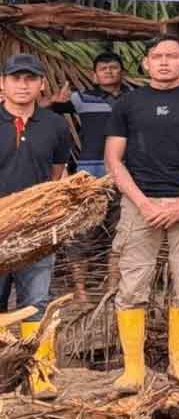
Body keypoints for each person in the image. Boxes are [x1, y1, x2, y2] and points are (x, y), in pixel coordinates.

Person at [105, 36, 179, 393]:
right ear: (145, 63)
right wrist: (143, 203)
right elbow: (114, 159)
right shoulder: (128, 103)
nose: (163, 62)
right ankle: (133, 369)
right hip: (137, 203)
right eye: (156, 57)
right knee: (132, 284)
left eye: (171, 56)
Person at [0, 54, 72, 399]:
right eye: (16, 78)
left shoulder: (55, 125)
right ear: (3, 84)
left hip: (39, 230)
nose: (23, 84)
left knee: (38, 301)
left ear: (41, 84)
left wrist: (43, 215)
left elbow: (58, 176)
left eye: (30, 78)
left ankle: (40, 373)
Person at [47, 51, 130, 302]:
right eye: (102, 68)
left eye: (113, 67)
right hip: (89, 175)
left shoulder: (135, 99)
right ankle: (80, 292)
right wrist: (53, 100)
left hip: (126, 174)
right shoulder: (81, 98)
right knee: (82, 233)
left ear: (121, 72)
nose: (108, 71)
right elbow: (41, 112)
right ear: (94, 75)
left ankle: (112, 289)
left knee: (121, 231)